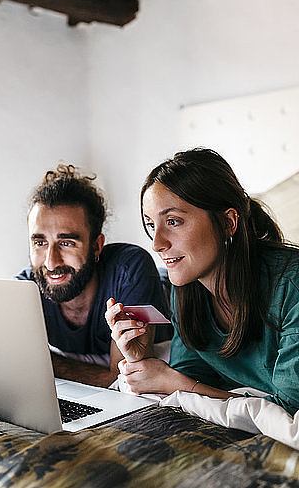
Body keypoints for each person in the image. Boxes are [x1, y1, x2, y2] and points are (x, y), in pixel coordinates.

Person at [106, 148, 299, 415]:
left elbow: (291, 410)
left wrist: (174, 382)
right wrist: (144, 363)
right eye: (151, 225)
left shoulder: (291, 287)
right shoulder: (186, 287)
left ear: (228, 222)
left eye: (173, 221)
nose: (157, 244)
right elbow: (193, 375)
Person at [17, 164, 168, 388]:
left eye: (66, 243)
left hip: (169, 298)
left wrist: (46, 364)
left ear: (97, 246)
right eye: (40, 242)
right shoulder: (23, 290)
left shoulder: (129, 269)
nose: (51, 261)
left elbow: (124, 379)